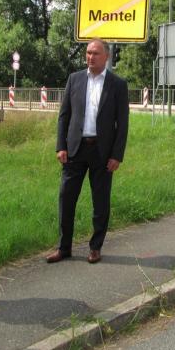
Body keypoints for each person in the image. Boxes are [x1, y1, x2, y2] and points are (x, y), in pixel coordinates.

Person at [47, 38, 129, 264]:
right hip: (75, 149)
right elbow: (64, 115)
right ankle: (64, 248)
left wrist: (117, 155)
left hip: (102, 152)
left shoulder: (117, 84)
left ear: (106, 56)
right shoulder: (74, 79)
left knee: (100, 202)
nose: (90, 57)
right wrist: (61, 146)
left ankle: (95, 247)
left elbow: (122, 124)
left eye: (96, 53)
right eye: (88, 53)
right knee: (66, 199)